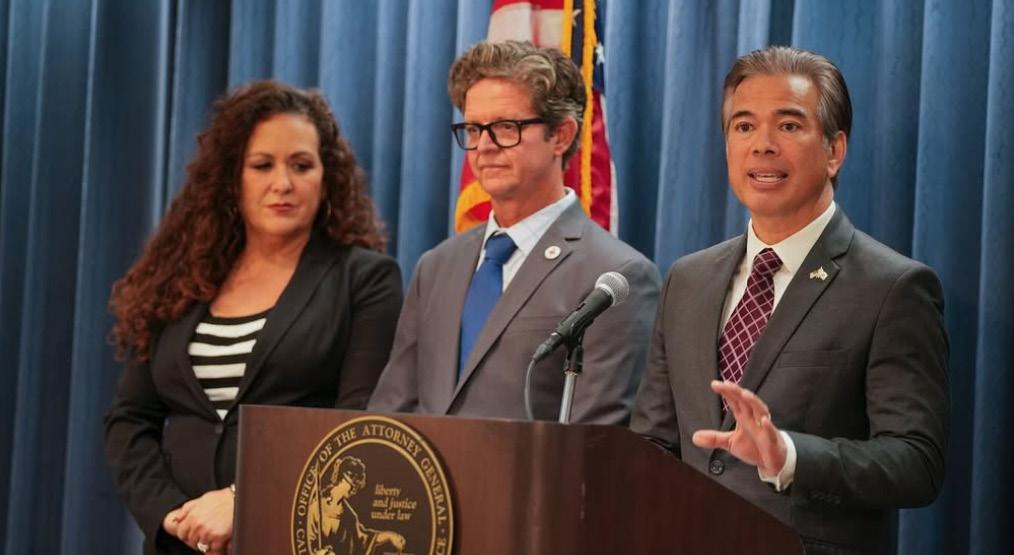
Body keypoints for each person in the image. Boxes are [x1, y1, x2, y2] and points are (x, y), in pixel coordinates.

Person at [630, 46, 949, 554]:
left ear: (834, 150)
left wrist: (790, 456)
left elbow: (917, 463)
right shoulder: (687, 280)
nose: (762, 145)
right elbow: (653, 441)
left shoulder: (893, 288)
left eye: (789, 125)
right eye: (744, 127)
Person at [104, 81, 402, 555]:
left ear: (327, 178)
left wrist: (244, 498)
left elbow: (356, 425)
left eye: (301, 165)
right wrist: (172, 516)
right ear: (232, 178)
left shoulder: (365, 280)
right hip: (179, 542)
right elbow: (129, 419)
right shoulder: (180, 277)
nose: (282, 183)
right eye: (262, 165)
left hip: (294, 537)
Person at [369, 41, 659, 423]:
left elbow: (595, 438)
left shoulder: (616, 275)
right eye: (473, 129)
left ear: (561, 135)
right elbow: (391, 411)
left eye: (506, 128)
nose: (484, 147)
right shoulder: (435, 266)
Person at [311, 457, 406, 555]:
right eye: (353, 483)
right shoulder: (317, 506)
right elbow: (305, 541)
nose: (354, 490)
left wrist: (389, 536)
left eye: (357, 486)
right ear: (342, 478)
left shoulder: (349, 516)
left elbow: (364, 539)